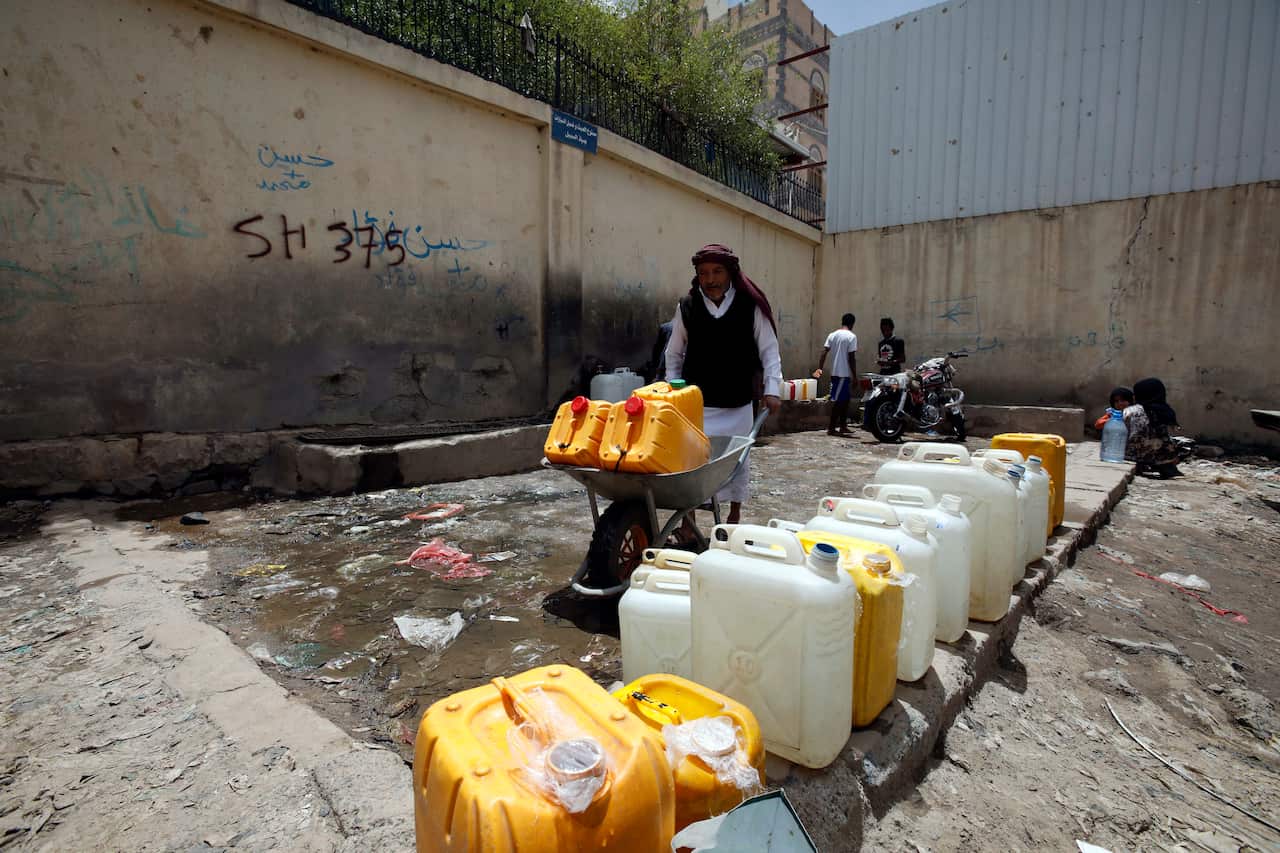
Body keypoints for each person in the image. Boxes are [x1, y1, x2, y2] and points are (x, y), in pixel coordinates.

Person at [665, 243, 783, 525]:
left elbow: (769, 350)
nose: (711, 279)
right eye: (704, 273)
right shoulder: (688, 306)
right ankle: (688, 522)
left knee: (736, 463)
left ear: (730, 273)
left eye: (717, 271)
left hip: (737, 403)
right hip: (697, 405)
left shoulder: (749, 305)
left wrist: (772, 390)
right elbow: (674, 353)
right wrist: (671, 390)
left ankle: (733, 517)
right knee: (692, 465)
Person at [1124, 377, 1183, 477]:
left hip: (1132, 455)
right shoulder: (1166, 412)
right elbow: (1170, 435)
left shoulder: (1130, 411)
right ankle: (1167, 467)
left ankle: (1144, 465)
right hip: (1162, 457)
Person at [812, 313, 857, 437]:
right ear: (852, 324)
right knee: (838, 402)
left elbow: (824, 352)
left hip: (837, 373)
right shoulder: (851, 337)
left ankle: (843, 426)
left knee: (845, 400)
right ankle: (831, 428)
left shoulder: (832, 335)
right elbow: (852, 358)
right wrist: (855, 376)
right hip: (842, 374)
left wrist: (820, 368)